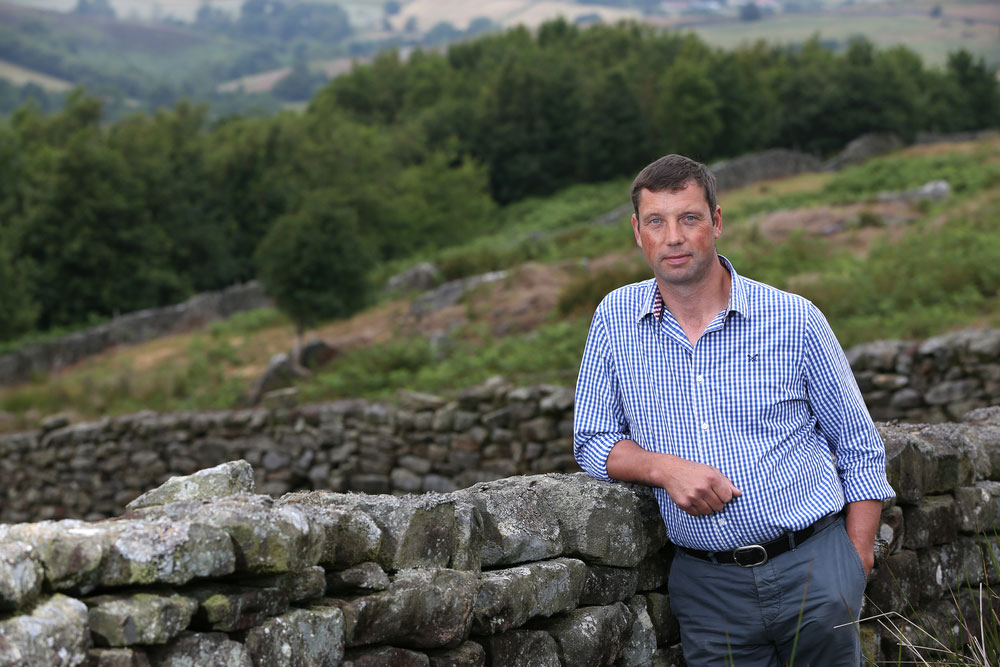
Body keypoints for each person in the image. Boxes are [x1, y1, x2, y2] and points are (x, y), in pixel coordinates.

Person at [573, 154, 895, 666]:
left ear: (717, 222)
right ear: (638, 232)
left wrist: (854, 563)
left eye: (689, 218)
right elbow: (591, 439)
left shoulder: (794, 318)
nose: (673, 236)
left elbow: (860, 448)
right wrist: (664, 468)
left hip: (813, 567)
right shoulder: (614, 320)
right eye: (656, 221)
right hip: (708, 587)